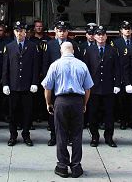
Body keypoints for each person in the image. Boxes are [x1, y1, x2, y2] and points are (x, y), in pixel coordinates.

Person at [42, 42, 93, 179]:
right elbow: (88, 89)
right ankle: (76, 166)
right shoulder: (82, 65)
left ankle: (62, 166)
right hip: (77, 101)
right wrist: (84, 104)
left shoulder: (55, 65)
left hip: (61, 101)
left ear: (61, 51)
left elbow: (47, 88)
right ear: (73, 51)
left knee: (61, 133)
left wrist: (48, 103)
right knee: (77, 134)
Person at [42, 21, 81, 146]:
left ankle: (68, 137)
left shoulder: (73, 44)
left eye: (64, 31)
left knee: (68, 113)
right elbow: (45, 64)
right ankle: (54, 136)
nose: (62, 33)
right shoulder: (50, 44)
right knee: (52, 110)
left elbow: (78, 64)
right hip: (54, 83)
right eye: (59, 30)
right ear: (55, 31)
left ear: (67, 32)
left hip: (69, 83)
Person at [2, 21, 40, 146]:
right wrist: (5, 84)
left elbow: (35, 66)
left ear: (25, 32)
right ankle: (13, 136)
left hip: (27, 86)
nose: (20, 33)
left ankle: (26, 135)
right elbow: (5, 67)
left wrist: (35, 82)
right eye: (17, 31)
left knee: (27, 113)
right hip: (13, 86)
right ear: (14, 32)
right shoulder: (9, 46)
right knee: (12, 113)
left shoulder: (32, 46)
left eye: (22, 31)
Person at [83, 25, 120, 147]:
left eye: (103, 34)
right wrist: (85, 85)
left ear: (106, 36)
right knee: (93, 114)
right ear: (94, 36)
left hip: (109, 88)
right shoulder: (89, 50)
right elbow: (86, 69)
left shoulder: (112, 50)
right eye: (98, 34)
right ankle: (95, 137)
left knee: (109, 114)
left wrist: (117, 84)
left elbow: (117, 69)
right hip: (93, 88)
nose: (101, 37)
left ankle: (109, 137)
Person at [113, 20, 132, 130]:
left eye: (129, 28)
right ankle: (123, 120)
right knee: (122, 100)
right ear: (121, 30)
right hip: (121, 73)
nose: (127, 30)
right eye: (125, 28)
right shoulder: (116, 43)